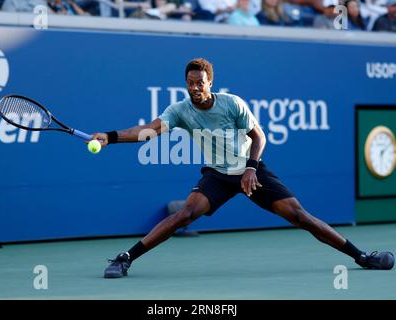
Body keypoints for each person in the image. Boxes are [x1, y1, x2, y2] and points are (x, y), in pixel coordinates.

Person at [90, 58, 395, 278]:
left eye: (201, 83)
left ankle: (362, 257)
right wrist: (110, 137)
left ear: (211, 83)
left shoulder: (232, 104)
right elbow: (148, 130)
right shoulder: (179, 110)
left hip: (251, 170)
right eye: (190, 83)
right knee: (183, 214)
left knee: (300, 216)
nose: (195, 88)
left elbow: (258, 136)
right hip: (217, 175)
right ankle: (126, 258)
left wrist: (251, 168)